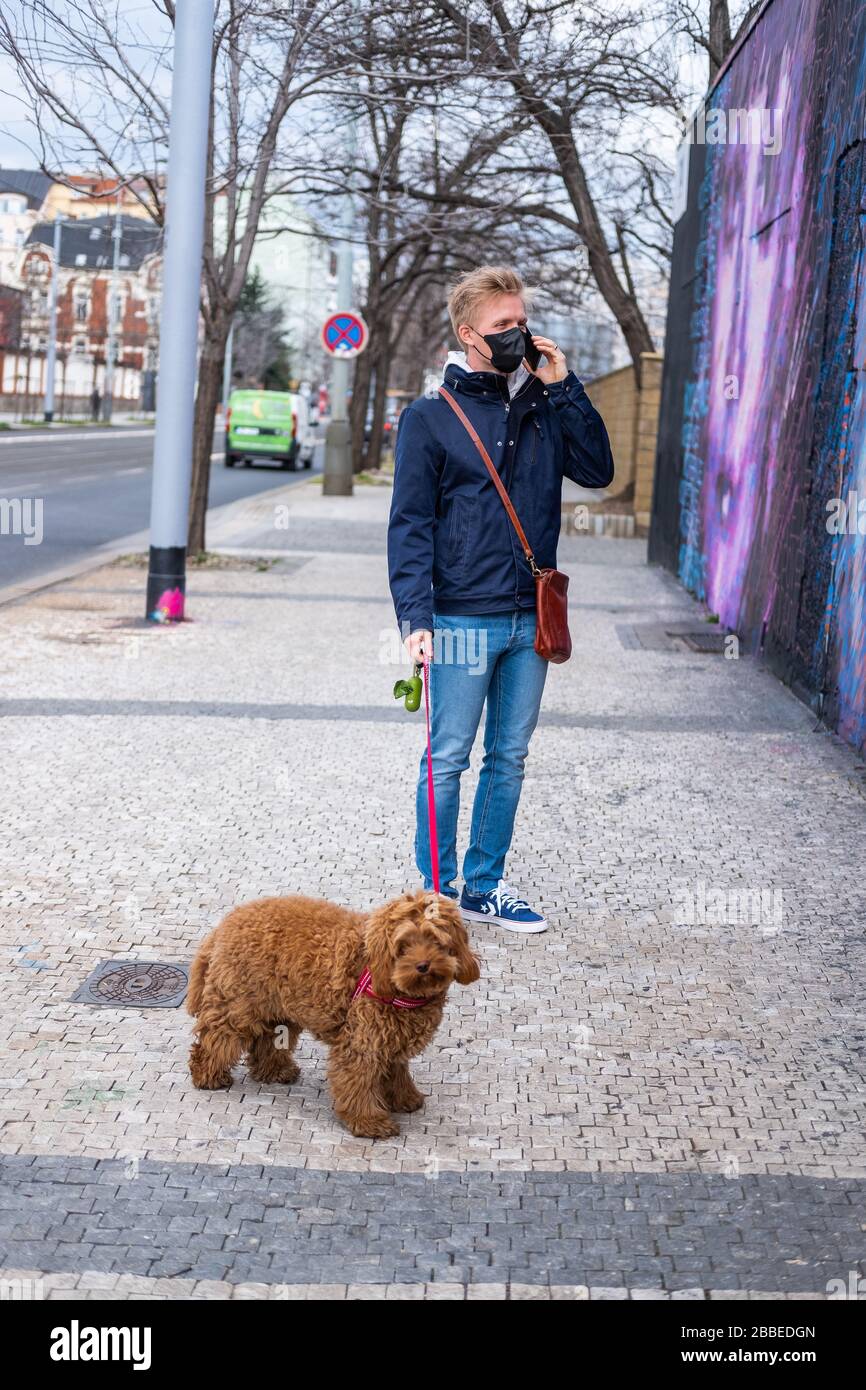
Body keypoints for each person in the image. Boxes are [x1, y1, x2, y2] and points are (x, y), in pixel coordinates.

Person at [387, 265, 614, 933]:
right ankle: (437, 895)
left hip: (531, 619)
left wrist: (564, 387)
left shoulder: (545, 406)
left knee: (508, 757)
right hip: (459, 615)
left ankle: (483, 887)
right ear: (468, 335)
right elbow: (410, 523)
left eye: (521, 322)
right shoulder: (429, 418)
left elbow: (599, 471)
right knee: (449, 755)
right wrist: (416, 618)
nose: (517, 333)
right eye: (501, 326)